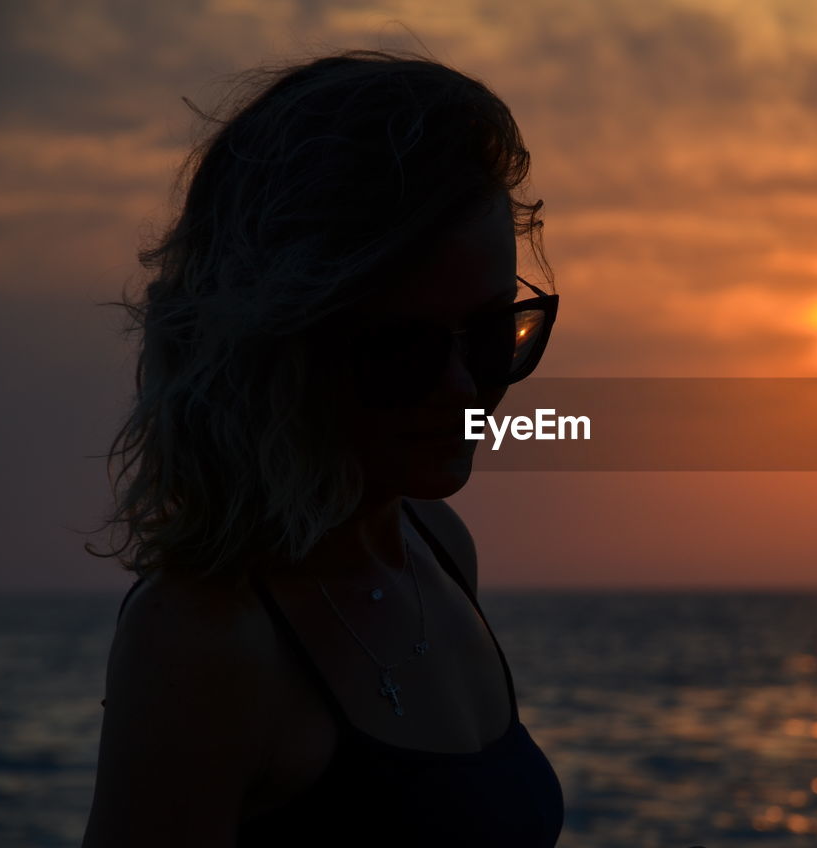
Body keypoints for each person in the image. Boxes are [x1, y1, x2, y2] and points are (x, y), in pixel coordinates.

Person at [80, 48, 563, 847]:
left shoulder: (435, 547)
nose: (462, 391)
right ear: (274, 348)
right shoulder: (203, 640)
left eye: (488, 334)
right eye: (397, 351)